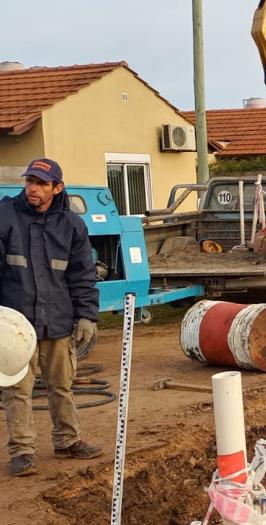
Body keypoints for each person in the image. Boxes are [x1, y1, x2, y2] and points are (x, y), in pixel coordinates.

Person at [0, 158, 102, 477]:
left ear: (56, 188)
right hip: (16, 324)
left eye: (41, 183)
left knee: (62, 384)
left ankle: (67, 441)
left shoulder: (72, 225)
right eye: (29, 181)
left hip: (57, 320)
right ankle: (22, 452)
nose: (32, 188)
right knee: (17, 389)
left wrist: (87, 316)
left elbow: (82, 274)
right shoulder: (5, 216)